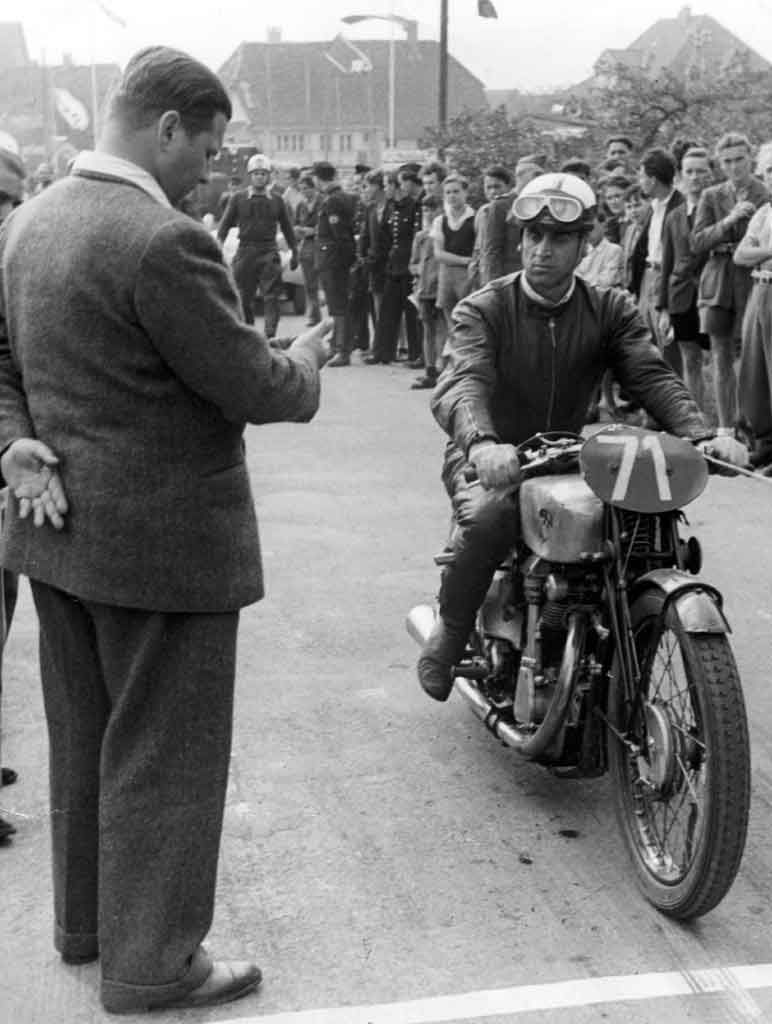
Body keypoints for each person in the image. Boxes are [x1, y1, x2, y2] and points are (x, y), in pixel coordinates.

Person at [0, 45, 331, 1012]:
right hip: (165, 548)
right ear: (168, 127)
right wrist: (305, 364)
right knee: (165, 756)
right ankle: (153, 965)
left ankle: (90, 930)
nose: (210, 170)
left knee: (85, 738)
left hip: (58, 535)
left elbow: (2, 364)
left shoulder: (28, 222)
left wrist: (13, 444)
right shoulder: (163, 240)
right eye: (209, 148)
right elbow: (250, 383)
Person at [415, 172, 747, 702]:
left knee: (635, 526)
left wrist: (700, 434)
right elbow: (462, 381)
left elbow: (651, 375)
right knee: (491, 518)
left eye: (559, 238)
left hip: (567, 456)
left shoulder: (609, 309)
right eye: (534, 236)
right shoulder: (484, 308)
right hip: (490, 455)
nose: (542, 249)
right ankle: (450, 635)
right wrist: (482, 442)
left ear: (583, 243)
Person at [692, 132, 768, 431]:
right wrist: (729, 219)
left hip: (753, 279)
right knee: (720, 355)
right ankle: (725, 429)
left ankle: (752, 427)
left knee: (752, 357)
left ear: (750, 159)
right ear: (720, 164)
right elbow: (697, 242)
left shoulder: (765, 192)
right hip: (718, 280)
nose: (734, 167)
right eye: (727, 162)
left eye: (739, 159)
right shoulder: (711, 195)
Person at [217, 153, 298, 335]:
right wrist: (218, 247)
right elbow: (224, 224)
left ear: (268, 176)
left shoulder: (277, 200)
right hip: (245, 251)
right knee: (242, 297)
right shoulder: (238, 198)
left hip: (269, 251)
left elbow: (287, 227)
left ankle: (270, 335)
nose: (259, 177)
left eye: (263, 173)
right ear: (250, 176)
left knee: (271, 296)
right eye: (256, 174)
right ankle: (249, 332)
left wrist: (294, 251)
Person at [657, 147, 713, 410]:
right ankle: (696, 418)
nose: (695, 177)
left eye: (700, 171)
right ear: (680, 175)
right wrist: (663, 308)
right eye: (689, 171)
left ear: (710, 174)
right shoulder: (673, 216)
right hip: (681, 296)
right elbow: (667, 263)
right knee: (690, 359)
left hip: (713, 293)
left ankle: (733, 420)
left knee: (722, 357)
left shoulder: (720, 210)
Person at [734, 141, 772, 472]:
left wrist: (760, 251)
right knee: (754, 369)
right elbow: (741, 255)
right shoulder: (763, 213)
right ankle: (764, 443)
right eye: (770, 170)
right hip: (760, 289)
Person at [631, 148, 684, 375]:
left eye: (641, 176)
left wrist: (669, 303)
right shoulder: (651, 208)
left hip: (668, 278)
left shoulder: (681, 206)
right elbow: (640, 250)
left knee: (669, 349)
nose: (640, 181)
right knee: (647, 347)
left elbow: (681, 257)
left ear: (652, 179)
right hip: (647, 279)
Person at [365, 168, 421, 365]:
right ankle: (382, 352)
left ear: (396, 186)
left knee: (411, 312)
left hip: (408, 265)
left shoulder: (413, 206)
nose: (385, 189)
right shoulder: (392, 207)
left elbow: (416, 238)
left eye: (388, 185)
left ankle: (415, 354)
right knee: (387, 310)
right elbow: (387, 237)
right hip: (393, 265)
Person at [312, 160, 357, 366]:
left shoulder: (333, 201)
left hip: (334, 260)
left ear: (318, 178)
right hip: (333, 258)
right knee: (336, 306)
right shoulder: (339, 197)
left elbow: (339, 235)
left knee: (339, 306)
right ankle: (336, 345)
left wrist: (343, 261)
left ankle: (342, 349)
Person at [432, 173, 476, 330]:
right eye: (448, 192)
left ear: (465, 192)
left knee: (469, 321)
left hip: (468, 278)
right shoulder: (440, 221)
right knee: (451, 325)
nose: (452, 196)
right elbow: (439, 254)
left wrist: (469, 262)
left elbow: (479, 251)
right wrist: (465, 260)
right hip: (447, 278)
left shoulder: (475, 218)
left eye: (456, 191)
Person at [409, 195, 443, 389]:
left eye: (433, 209)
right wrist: (418, 272)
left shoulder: (444, 232)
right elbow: (413, 263)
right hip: (425, 289)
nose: (429, 214)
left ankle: (443, 370)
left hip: (442, 286)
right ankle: (430, 370)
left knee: (443, 329)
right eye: (426, 210)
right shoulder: (421, 236)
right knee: (428, 329)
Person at [294, 173, 322, 325]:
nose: (304, 192)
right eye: (301, 189)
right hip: (306, 246)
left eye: (306, 188)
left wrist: (314, 231)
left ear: (313, 188)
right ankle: (314, 314)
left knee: (324, 281)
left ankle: (327, 312)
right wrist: (297, 230)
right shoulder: (301, 205)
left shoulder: (323, 202)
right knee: (309, 283)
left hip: (321, 244)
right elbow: (295, 223)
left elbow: (326, 224)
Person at [576, 210, 623, 288]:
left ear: (603, 226)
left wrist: (581, 281)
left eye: (591, 228)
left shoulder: (614, 250)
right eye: (585, 229)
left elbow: (605, 281)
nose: (588, 233)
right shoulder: (582, 249)